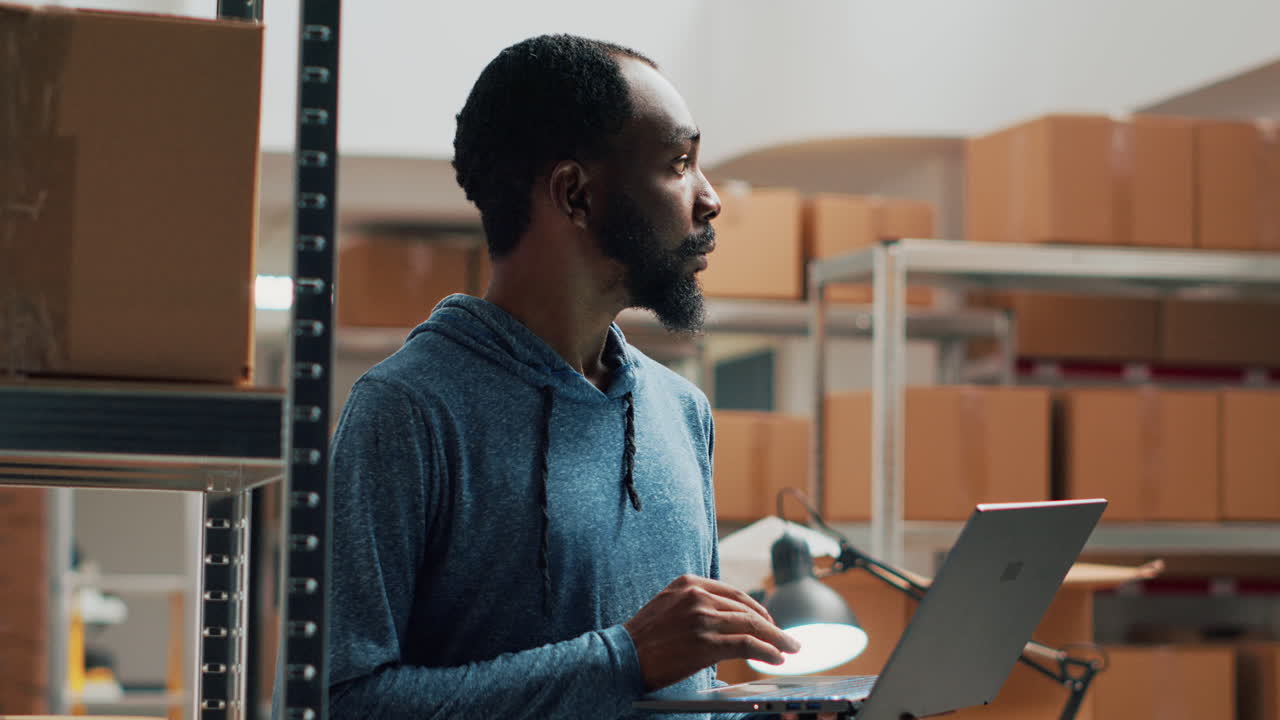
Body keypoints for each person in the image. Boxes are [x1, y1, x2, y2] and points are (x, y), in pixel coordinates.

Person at [324, 34, 812, 720]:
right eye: (679, 163)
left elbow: (682, 691)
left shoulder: (683, 410)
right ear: (575, 195)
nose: (709, 199)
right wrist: (624, 658)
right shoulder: (405, 411)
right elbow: (347, 701)